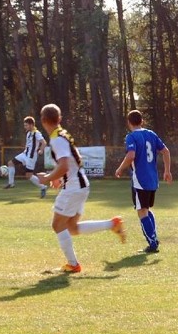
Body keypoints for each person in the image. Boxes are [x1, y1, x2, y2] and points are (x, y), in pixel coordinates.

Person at [35, 104, 125, 273]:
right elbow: (72, 162)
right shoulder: (63, 134)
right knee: (72, 228)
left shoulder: (56, 139)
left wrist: (48, 178)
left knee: (57, 225)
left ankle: (73, 264)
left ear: (43, 120)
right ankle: (112, 224)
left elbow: (63, 165)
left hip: (74, 188)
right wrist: (59, 178)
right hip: (80, 185)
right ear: (59, 119)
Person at [115, 110, 172, 254]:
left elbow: (131, 155)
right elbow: (166, 151)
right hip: (153, 178)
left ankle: (152, 243)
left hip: (140, 179)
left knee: (142, 211)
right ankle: (154, 238)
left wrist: (120, 168)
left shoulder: (131, 136)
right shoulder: (151, 134)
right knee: (146, 209)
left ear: (129, 123)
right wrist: (167, 171)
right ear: (142, 121)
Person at [4, 116, 48, 197]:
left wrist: (41, 150)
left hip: (31, 157)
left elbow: (44, 142)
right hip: (25, 154)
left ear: (31, 125)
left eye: (26, 125)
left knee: (28, 176)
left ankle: (43, 187)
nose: (25, 127)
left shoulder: (36, 133)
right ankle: (11, 183)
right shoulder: (28, 133)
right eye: (24, 125)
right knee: (10, 163)